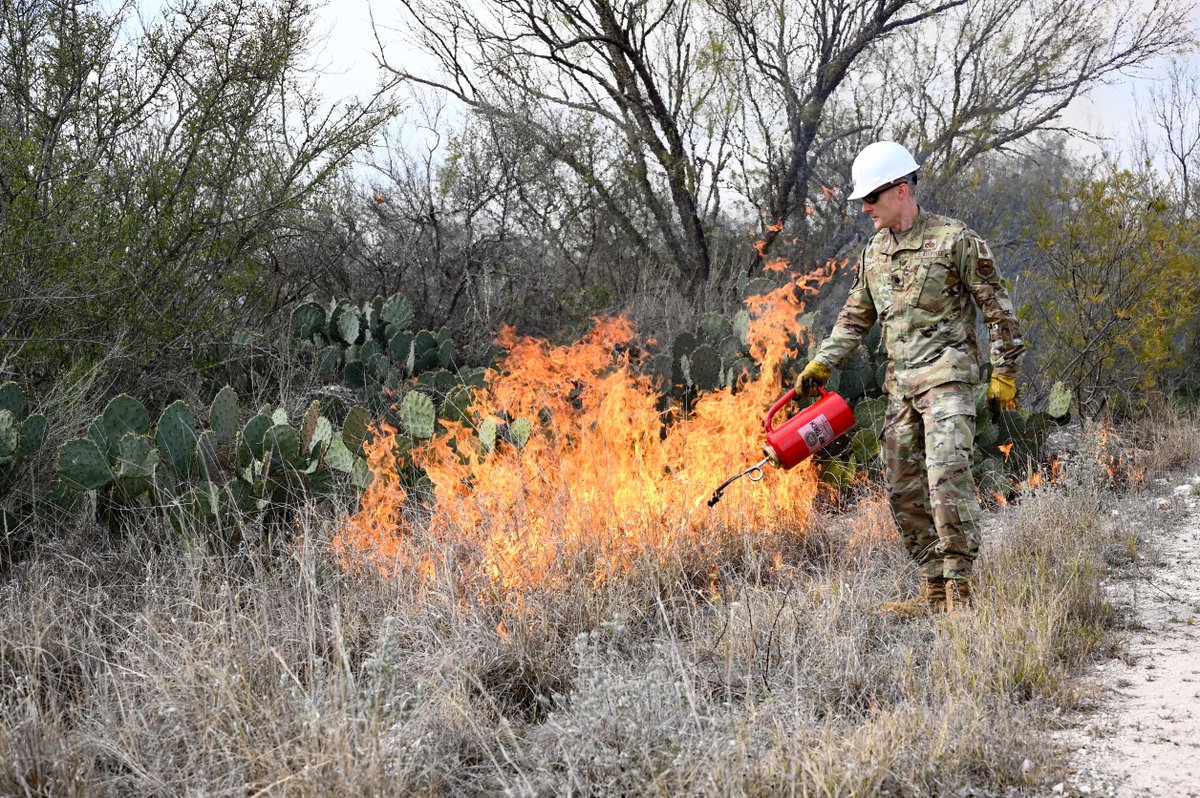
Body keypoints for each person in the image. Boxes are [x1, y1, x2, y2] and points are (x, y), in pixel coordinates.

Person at [795, 141, 1024, 615]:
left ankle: (960, 592)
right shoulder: (874, 252)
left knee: (946, 480)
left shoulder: (955, 239)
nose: (865, 208)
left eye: (871, 198)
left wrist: (1004, 369)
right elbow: (854, 317)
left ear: (901, 191)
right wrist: (824, 361)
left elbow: (997, 308)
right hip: (900, 387)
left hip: (948, 381)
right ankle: (933, 588)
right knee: (903, 485)